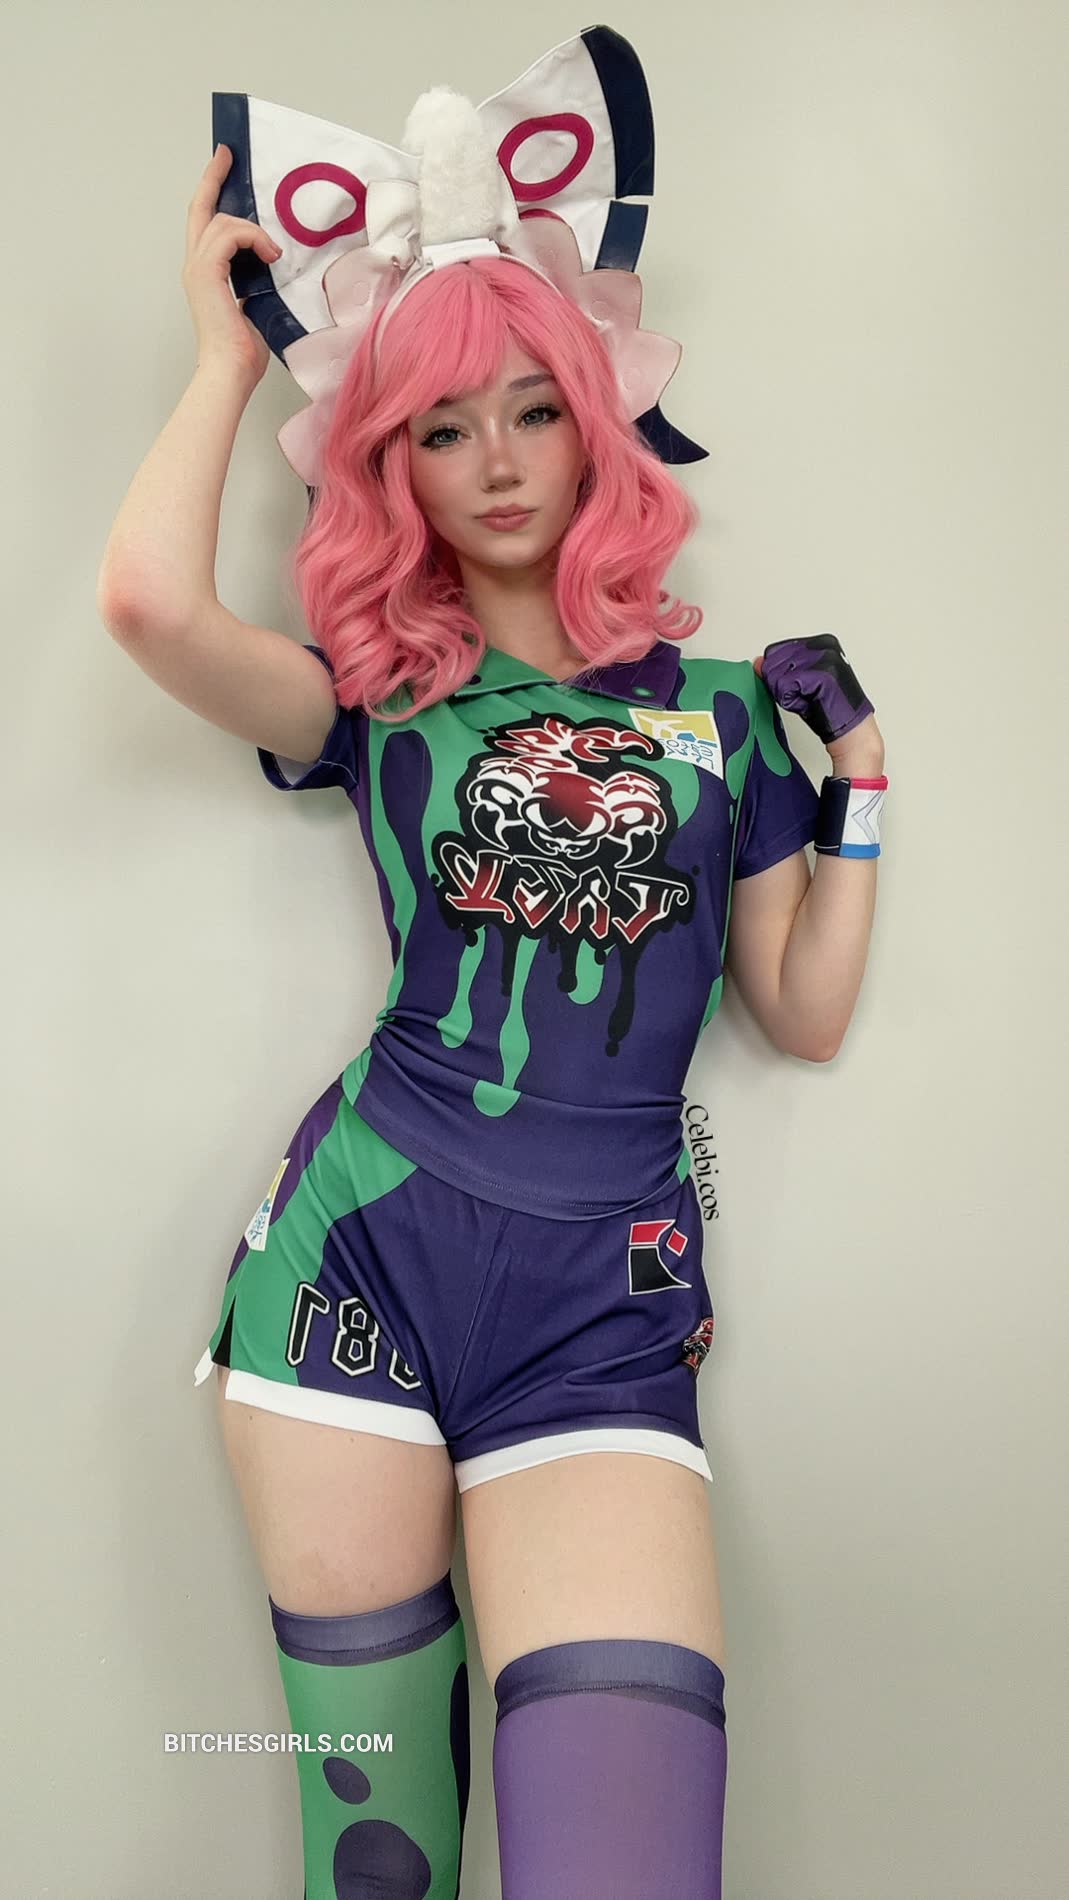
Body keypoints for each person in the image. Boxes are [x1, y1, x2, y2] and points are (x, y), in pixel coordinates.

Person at [97, 53, 886, 1900]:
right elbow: (148, 607)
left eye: (534, 411)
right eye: (443, 431)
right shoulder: (379, 698)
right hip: (350, 1278)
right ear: (391, 464)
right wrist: (221, 360)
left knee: (626, 1864)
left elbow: (803, 1012)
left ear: (596, 423)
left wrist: (857, 787)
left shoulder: (722, 718)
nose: (502, 462)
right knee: (378, 1869)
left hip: (598, 1317)